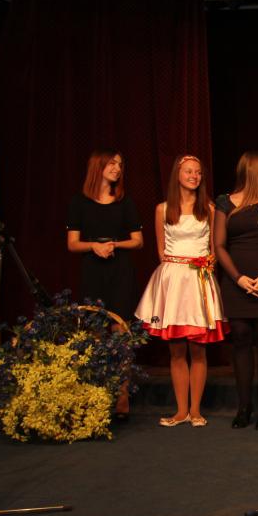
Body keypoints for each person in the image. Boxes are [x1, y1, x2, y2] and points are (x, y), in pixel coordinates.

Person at [135, 154, 226, 427]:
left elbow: (214, 250)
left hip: (198, 281)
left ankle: (195, 410)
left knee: (198, 349)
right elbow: (161, 250)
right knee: (176, 350)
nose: (194, 176)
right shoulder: (162, 209)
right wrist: (176, 272)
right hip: (174, 282)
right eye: (189, 171)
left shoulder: (209, 209)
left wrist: (206, 264)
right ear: (178, 175)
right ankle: (180, 410)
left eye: (198, 172)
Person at [67, 149, 143, 420]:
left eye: (120, 164)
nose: (117, 168)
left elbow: (138, 241)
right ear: (98, 166)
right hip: (92, 272)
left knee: (120, 331)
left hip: (120, 271)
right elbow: (72, 244)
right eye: (112, 163)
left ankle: (122, 398)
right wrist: (94, 247)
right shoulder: (79, 202)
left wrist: (114, 245)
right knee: (95, 333)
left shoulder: (124, 202)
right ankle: (96, 396)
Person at [215, 151, 258, 430]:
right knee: (241, 338)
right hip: (237, 281)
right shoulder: (224, 202)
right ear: (254, 171)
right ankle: (244, 407)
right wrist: (238, 278)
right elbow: (219, 245)